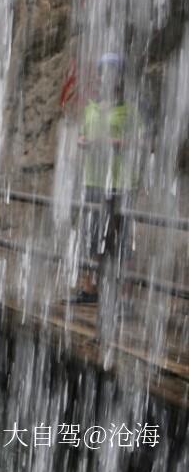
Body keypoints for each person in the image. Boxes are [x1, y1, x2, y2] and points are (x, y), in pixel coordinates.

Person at [69, 52, 141, 304]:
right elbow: (82, 135)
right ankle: (91, 288)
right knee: (92, 235)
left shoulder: (129, 109)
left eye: (113, 71)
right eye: (104, 71)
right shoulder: (90, 107)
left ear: (119, 76)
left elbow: (141, 144)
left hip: (120, 182)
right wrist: (82, 141)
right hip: (94, 180)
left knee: (121, 239)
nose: (108, 76)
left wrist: (110, 142)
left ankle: (124, 296)